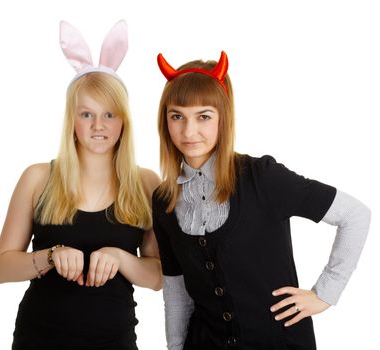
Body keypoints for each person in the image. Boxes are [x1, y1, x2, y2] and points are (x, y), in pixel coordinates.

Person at [152, 51, 371, 350]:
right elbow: (176, 289)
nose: (189, 131)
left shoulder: (261, 177)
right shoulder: (163, 199)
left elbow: (354, 215)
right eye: (177, 116)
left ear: (223, 118)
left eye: (204, 116)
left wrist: (324, 293)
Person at [0, 20, 162, 350]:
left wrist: (121, 258)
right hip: (38, 340)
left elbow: (157, 277)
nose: (99, 125)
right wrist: (51, 257)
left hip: (115, 341)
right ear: (72, 119)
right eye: (87, 114)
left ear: (124, 119)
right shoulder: (37, 178)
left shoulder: (145, 183)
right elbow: (1, 268)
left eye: (109, 114)